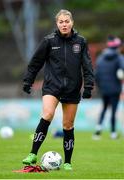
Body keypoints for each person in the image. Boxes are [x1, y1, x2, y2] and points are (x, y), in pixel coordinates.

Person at [22, 9, 94, 170]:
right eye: (61, 22)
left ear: (72, 23)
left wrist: (88, 86)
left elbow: (87, 65)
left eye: (66, 21)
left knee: (68, 126)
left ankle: (67, 162)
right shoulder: (49, 41)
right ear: (57, 24)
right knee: (47, 114)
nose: (64, 24)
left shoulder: (80, 41)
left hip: (72, 89)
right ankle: (33, 153)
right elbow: (35, 63)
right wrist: (28, 81)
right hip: (52, 86)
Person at [93, 35, 124, 140]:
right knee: (113, 110)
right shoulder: (119, 57)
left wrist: (99, 87)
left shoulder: (101, 58)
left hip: (104, 89)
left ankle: (98, 131)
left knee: (104, 108)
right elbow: (122, 72)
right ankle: (113, 133)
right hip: (115, 89)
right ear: (117, 47)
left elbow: (96, 74)